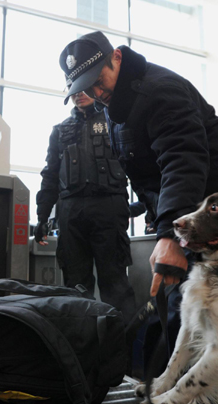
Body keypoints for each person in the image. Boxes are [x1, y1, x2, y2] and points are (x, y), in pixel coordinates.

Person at [58, 31, 218, 383]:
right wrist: (155, 216)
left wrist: (170, 234)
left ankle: (194, 390)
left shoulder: (159, 91)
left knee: (196, 312)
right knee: (181, 309)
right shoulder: (116, 102)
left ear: (116, 56)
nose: (97, 93)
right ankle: (166, 383)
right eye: (88, 88)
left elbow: (182, 160)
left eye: (99, 80)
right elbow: (147, 168)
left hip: (211, 216)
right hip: (184, 212)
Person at [34, 91, 137, 326]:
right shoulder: (60, 130)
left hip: (108, 209)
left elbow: (136, 166)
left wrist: (148, 206)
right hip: (70, 213)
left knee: (115, 284)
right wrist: (42, 216)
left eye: (83, 89)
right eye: (73, 92)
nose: (78, 96)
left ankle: (126, 351)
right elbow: (50, 175)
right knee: (75, 286)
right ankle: (82, 349)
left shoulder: (117, 122)